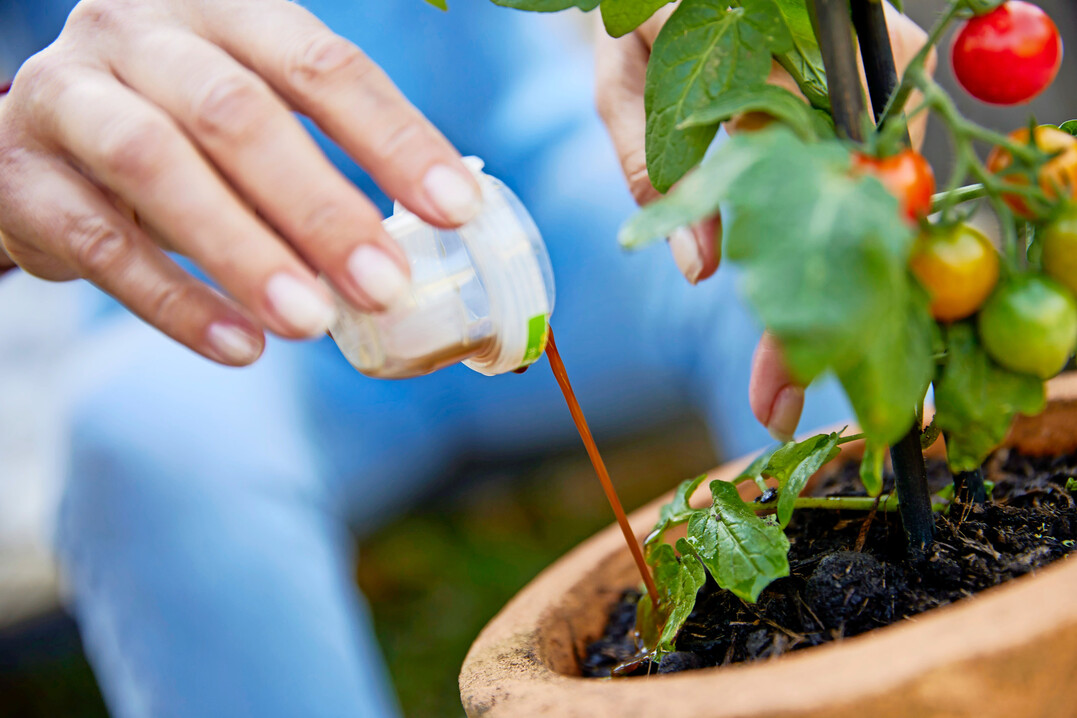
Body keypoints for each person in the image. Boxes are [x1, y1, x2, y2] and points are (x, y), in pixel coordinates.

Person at [0, 1, 927, 715]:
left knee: (771, 236)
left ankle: (898, 652)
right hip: (223, 277)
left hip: (526, 176)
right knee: (144, 442)